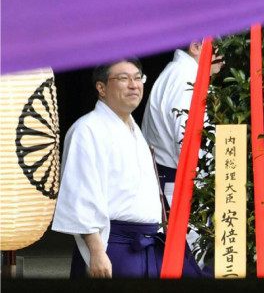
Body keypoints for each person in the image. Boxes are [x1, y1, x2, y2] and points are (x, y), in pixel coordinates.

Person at [52, 58, 204, 279]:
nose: (134, 85)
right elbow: (80, 196)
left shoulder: (134, 130)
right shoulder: (86, 129)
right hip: (113, 246)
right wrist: (96, 251)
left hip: (151, 241)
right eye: (123, 78)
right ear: (101, 88)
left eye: (137, 77)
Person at [141, 41, 223, 269]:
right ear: (196, 46)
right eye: (219, 47)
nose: (223, 57)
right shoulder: (185, 77)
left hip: (176, 177)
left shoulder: (180, 72)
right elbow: (189, 142)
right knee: (188, 261)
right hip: (181, 180)